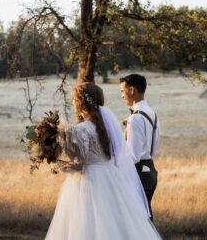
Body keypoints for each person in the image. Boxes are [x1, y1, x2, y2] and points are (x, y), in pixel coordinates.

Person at [45, 82, 162, 240]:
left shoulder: (80, 130)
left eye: (74, 99)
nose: (72, 102)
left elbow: (79, 164)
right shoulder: (106, 126)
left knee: (87, 223)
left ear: (82, 101)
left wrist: (57, 162)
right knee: (117, 222)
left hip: (90, 181)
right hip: (110, 177)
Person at [119, 74, 160, 221]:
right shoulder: (152, 114)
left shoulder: (135, 118)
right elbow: (153, 147)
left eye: (122, 92)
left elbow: (133, 156)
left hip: (138, 174)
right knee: (145, 219)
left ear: (131, 90)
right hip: (150, 171)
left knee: (137, 221)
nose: (122, 96)